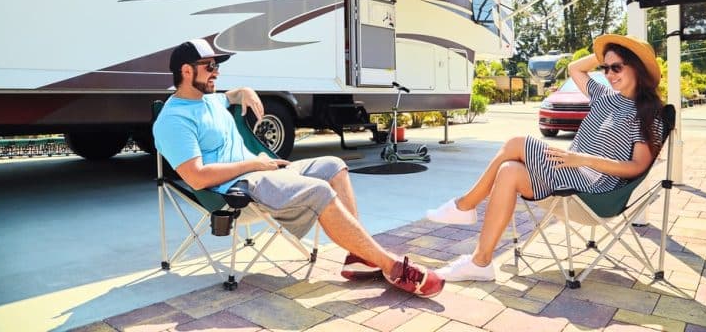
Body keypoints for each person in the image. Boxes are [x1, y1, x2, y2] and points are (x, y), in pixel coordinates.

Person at [153, 39, 444, 297]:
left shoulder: (210, 99)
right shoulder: (173, 120)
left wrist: (244, 91)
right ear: (186, 72)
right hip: (235, 188)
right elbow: (196, 176)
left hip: (262, 173)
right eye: (209, 67)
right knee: (318, 190)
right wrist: (256, 163)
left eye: (217, 65)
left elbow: (229, 97)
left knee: (334, 165)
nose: (216, 72)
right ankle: (390, 265)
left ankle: (358, 254)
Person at [426, 34, 664, 281]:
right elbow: (574, 68)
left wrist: (583, 160)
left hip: (594, 189)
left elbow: (638, 166)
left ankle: (465, 205)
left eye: (616, 67)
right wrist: (605, 53)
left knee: (516, 144)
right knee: (508, 170)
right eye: (605, 67)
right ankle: (481, 262)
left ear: (637, 67)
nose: (609, 73)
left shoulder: (648, 113)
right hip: (570, 172)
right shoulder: (604, 97)